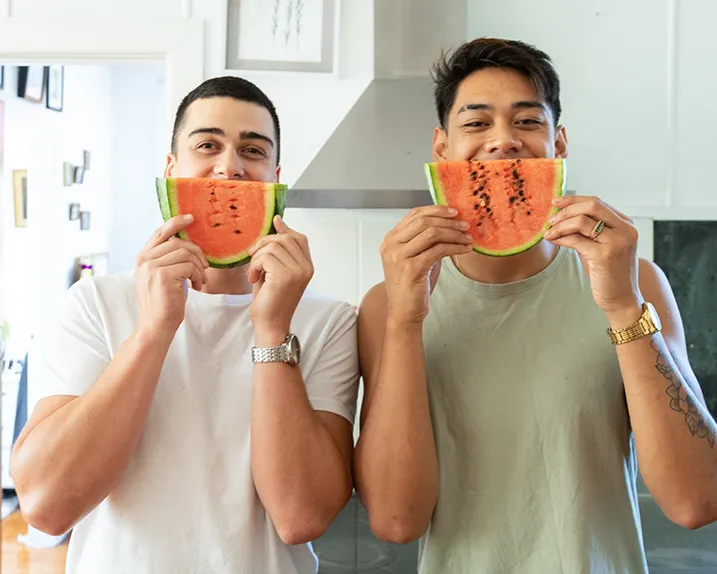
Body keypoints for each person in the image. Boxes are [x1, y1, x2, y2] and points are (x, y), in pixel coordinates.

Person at [353, 37, 717, 572]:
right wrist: (407, 321)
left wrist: (621, 307)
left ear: (558, 144)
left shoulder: (634, 280)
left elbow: (697, 501)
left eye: (527, 121)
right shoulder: (389, 301)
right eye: (476, 124)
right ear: (441, 148)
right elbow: (395, 521)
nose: (503, 142)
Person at [10, 76, 359, 574]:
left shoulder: (328, 320)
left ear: (275, 179)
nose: (230, 167)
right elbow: (46, 506)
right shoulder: (95, 303)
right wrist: (154, 329)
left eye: (253, 150)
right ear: (172, 172)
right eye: (208, 145)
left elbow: (300, 517)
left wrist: (272, 329)